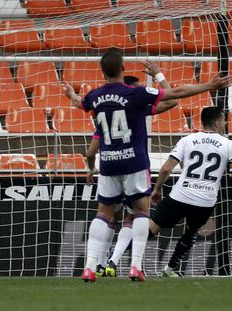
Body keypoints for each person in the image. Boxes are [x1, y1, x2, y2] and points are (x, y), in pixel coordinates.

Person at [63, 47, 232, 282]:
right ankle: (135, 267)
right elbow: (174, 94)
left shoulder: (94, 96)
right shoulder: (136, 94)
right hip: (134, 163)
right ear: (123, 68)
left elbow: (79, 103)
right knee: (140, 212)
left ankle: (90, 266)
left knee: (103, 213)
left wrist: (70, 94)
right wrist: (208, 86)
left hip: (109, 164)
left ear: (102, 71)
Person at [149, 106, 232, 277]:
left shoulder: (187, 139)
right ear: (218, 123)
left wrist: (157, 189)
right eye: (223, 120)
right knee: (191, 232)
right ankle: (169, 270)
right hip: (204, 201)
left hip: (180, 196)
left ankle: (115, 261)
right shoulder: (228, 144)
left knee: (151, 229)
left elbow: (165, 169)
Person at [87, 69, 177, 278]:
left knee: (108, 215)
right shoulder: (138, 109)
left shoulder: (103, 114)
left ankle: (99, 264)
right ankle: (116, 262)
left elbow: (91, 150)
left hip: (109, 169)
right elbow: (172, 100)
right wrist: (159, 75)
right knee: (134, 215)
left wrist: (91, 169)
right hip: (135, 167)